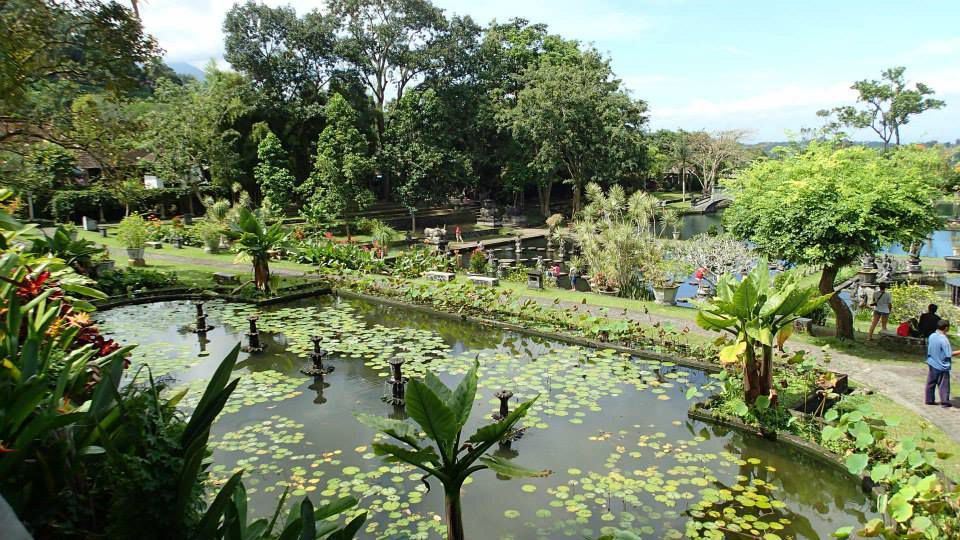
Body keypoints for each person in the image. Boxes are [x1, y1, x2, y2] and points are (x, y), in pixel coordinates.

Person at [926, 319, 959, 407]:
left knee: (931, 382)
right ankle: (945, 402)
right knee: (943, 385)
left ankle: (929, 400)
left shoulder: (932, 335)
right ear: (946, 328)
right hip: (941, 365)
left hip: (932, 362)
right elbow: (949, 354)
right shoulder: (944, 340)